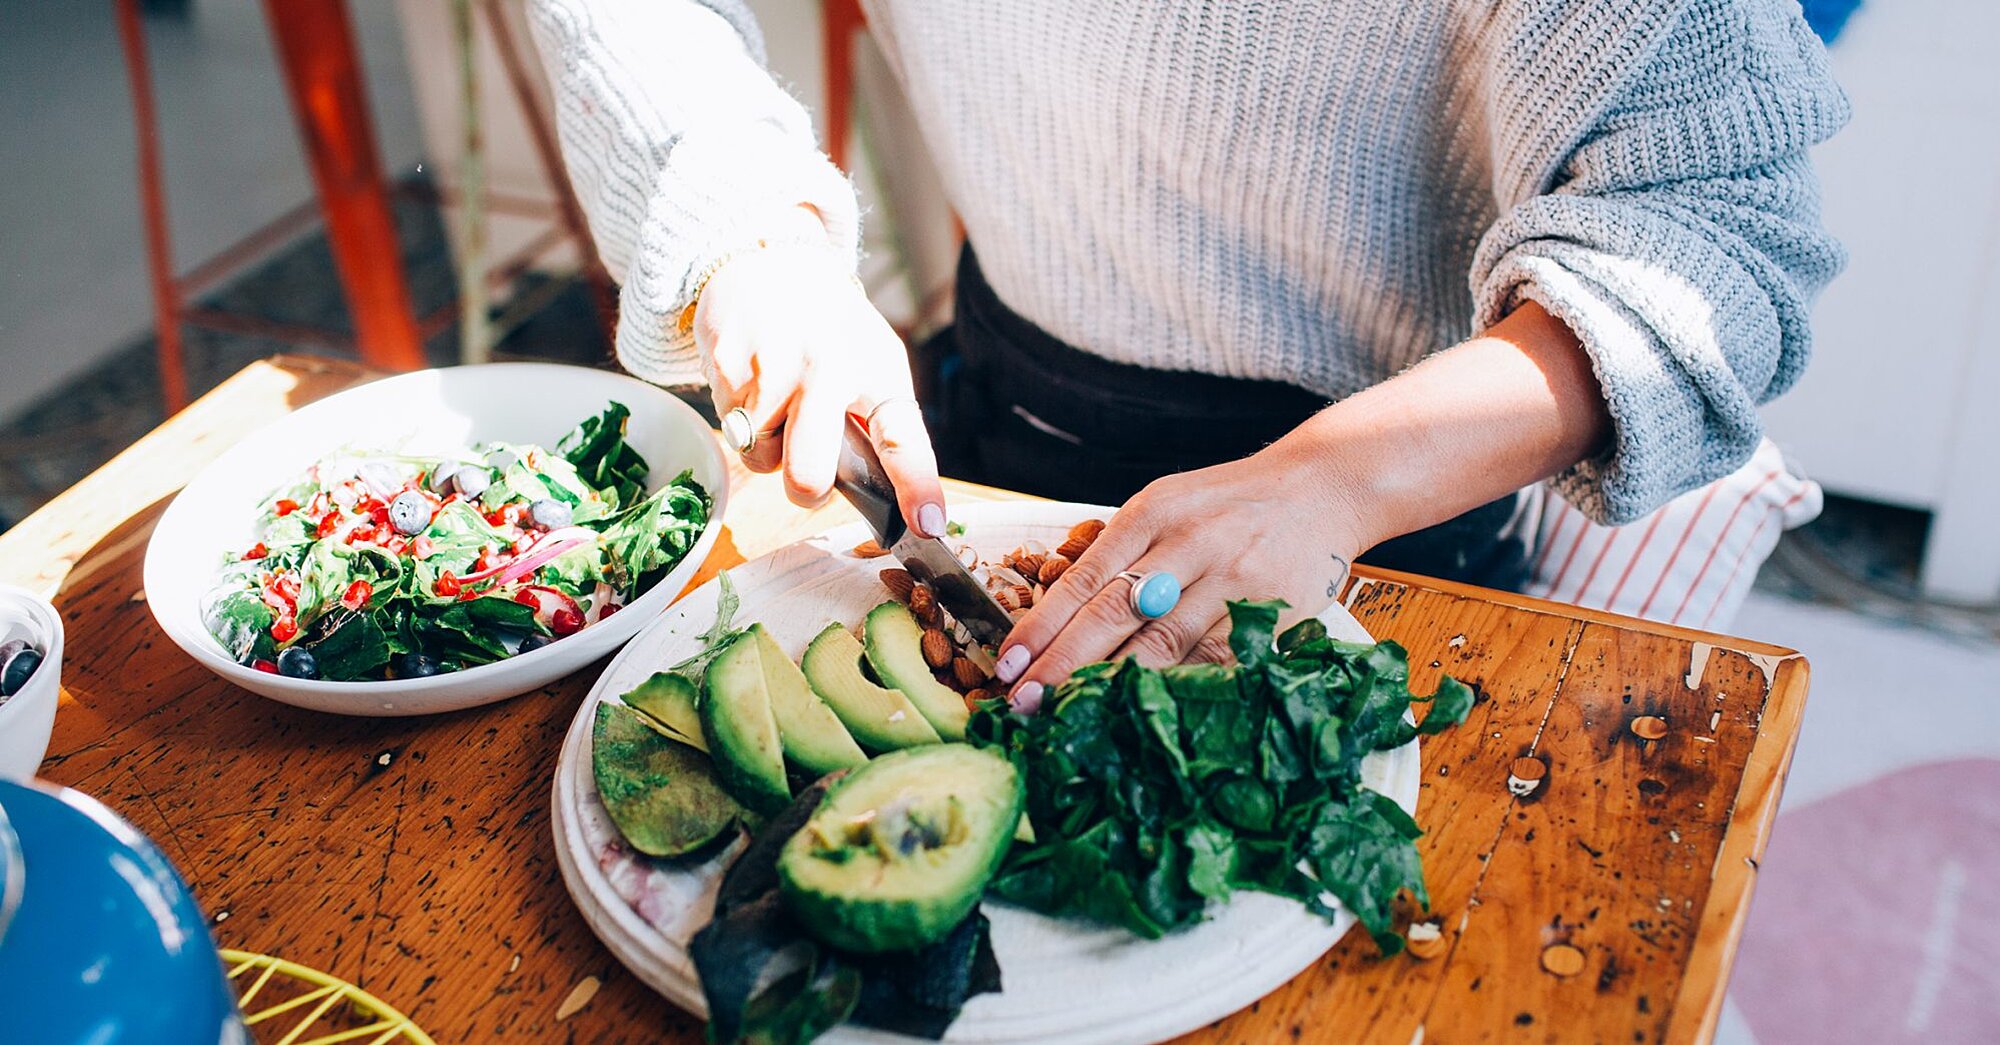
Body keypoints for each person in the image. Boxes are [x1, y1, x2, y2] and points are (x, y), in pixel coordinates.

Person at [527, 0, 1847, 711]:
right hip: (1003, 449)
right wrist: (741, 220)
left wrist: (1337, 482)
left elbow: (1722, 227)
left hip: (1400, 535)